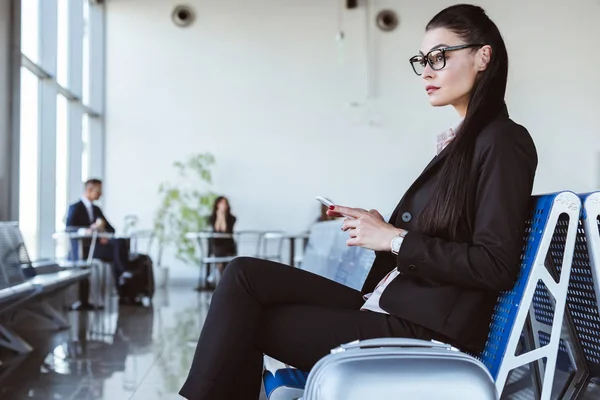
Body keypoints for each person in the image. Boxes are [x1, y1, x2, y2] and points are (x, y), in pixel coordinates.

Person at [179, 4, 538, 399]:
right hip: (396, 303)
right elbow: (450, 233)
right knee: (243, 274)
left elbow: (495, 265)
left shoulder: (503, 141)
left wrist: (394, 239)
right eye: (423, 60)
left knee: (247, 321)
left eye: (440, 56)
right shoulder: (464, 144)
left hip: (425, 327)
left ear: (482, 56)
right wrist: (379, 225)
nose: (428, 71)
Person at [66, 179, 139, 309]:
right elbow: (70, 229)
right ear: (89, 190)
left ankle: (125, 289)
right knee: (119, 253)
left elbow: (112, 229)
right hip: (84, 249)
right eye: (98, 191)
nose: (101, 194)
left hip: (98, 247)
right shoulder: (75, 208)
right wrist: (90, 230)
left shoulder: (96, 209)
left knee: (120, 246)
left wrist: (102, 233)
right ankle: (123, 274)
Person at [207, 196, 237, 277]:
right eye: (221, 203)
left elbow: (224, 230)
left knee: (222, 250)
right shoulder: (211, 218)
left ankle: (222, 272)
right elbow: (216, 229)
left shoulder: (232, 218)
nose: (223, 205)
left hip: (228, 245)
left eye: (224, 203)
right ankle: (220, 273)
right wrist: (219, 216)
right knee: (217, 248)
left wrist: (222, 216)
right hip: (216, 245)